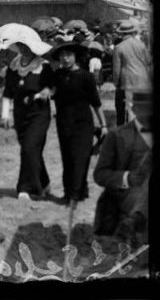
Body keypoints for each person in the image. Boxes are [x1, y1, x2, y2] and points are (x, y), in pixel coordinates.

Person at [92, 90, 152, 247]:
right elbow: (100, 174)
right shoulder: (116, 136)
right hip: (126, 197)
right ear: (135, 110)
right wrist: (127, 178)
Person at [50, 41, 106, 206]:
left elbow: (96, 103)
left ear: (75, 57)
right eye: (62, 55)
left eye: (68, 55)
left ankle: (74, 195)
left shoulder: (86, 77)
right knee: (67, 158)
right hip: (63, 122)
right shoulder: (58, 75)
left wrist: (103, 125)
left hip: (82, 124)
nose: (65, 59)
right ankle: (73, 192)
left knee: (80, 158)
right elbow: (51, 92)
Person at [3, 35, 55, 201]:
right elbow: (8, 92)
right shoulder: (14, 66)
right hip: (20, 113)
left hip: (38, 113)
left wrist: (47, 91)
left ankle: (25, 187)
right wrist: (5, 114)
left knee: (29, 148)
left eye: (26, 46)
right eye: (20, 45)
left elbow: (53, 86)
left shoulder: (43, 66)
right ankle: (44, 181)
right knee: (32, 151)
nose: (23, 49)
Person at [111, 20, 152, 126]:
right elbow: (148, 61)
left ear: (121, 33)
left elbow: (116, 69)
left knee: (130, 107)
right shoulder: (141, 45)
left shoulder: (119, 47)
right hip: (143, 79)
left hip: (128, 80)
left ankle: (134, 131)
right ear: (132, 32)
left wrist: (116, 83)